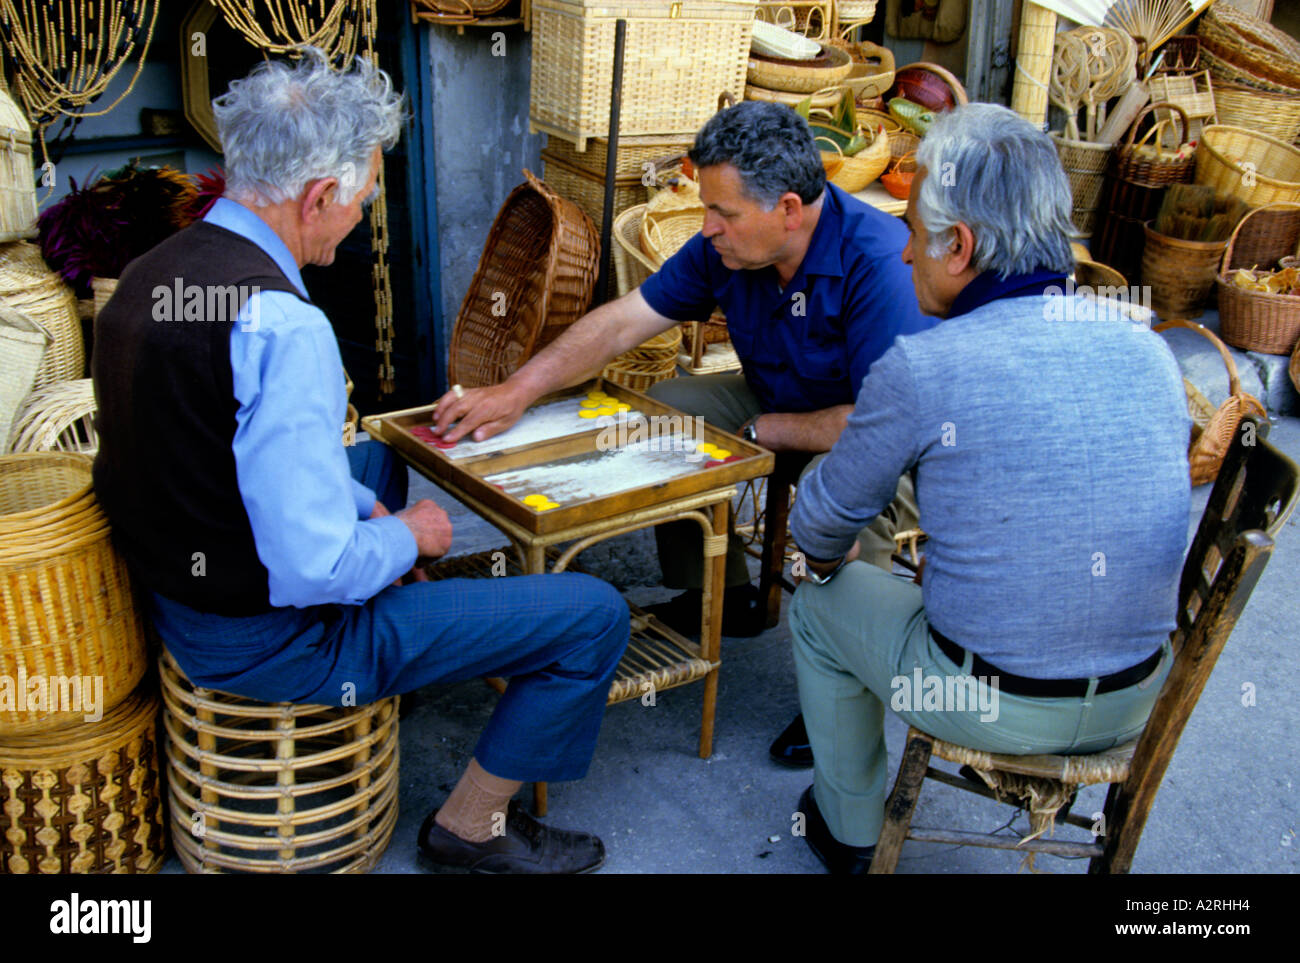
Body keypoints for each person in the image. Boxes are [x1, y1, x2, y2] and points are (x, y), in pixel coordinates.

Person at [91, 50, 629, 875]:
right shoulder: (283, 325)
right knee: (593, 614)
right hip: (266, 638)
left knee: (373, 465)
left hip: (175, 591)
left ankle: (408, 630)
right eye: (363, 198)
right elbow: (313, 569)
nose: (361, 217)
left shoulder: (147, 276)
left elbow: (214, 450)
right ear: (317, 197)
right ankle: (470, 827)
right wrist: (408, 538)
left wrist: (365, 507)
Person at [433, 100, 935, 765]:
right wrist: (518, 388)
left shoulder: (880, 266)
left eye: (723, 213)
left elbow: (885, 422)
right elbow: (622, 323)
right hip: (775, 396)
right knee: (664, 413)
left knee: (842, 490)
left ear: (788, 207)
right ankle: (716, 598)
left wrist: (771, 429)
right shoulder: (727, 250)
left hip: (871, 433)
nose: (707, 228)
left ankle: (843, 696)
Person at [785, 102, 1190, 874]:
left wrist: (833, 557)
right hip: (1139, 693)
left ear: (960, 247)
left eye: (911, 232)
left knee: (814, 606)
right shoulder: (1148, 347)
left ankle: (848, 829)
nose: (904, 256)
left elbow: (820, 523)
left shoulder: (923, 366)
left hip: (990, 702)